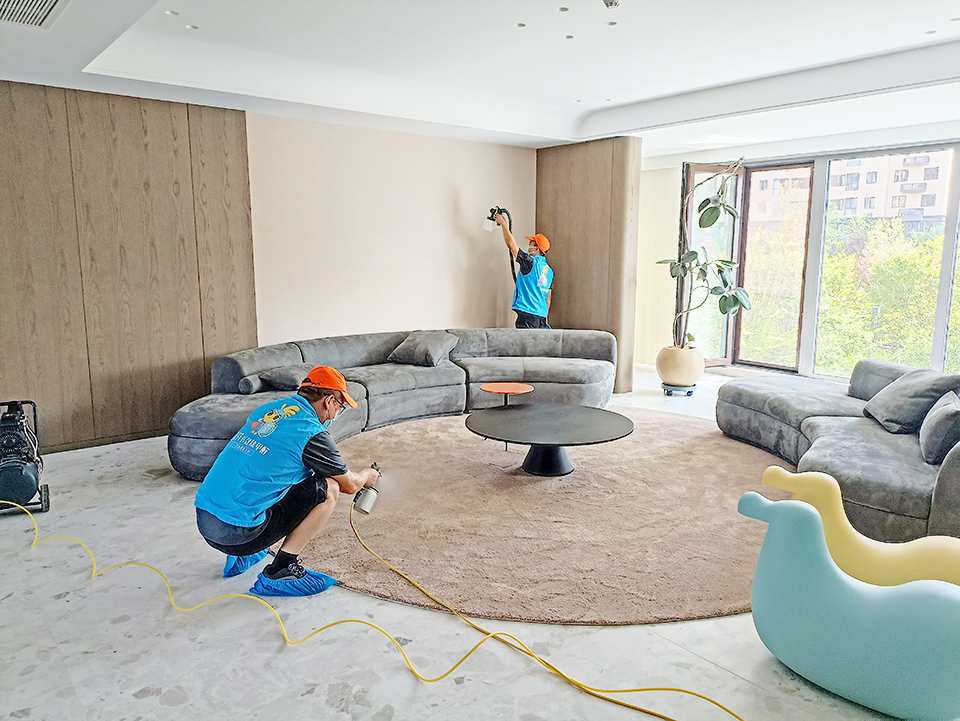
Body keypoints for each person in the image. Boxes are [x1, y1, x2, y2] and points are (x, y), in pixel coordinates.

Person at [194, 366, 380, 597]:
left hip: (205, 519)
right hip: (238, 534)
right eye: (339, 407)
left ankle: (244, 554)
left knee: (276, 473)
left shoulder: (268, 409)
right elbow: (349, 485)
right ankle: (281, 570)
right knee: (329, 487)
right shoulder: (311, 433)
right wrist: (366, 476)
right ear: (329, 401)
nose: (336, 414)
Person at [494, 213, 554, 328]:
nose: (528, 247)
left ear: (537, 248)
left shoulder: (530, 262)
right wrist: (545, 316)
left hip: (528, 315)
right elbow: (548, 295)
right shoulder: (549, 271)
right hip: (541, 316)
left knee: (525, 340)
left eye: (530, 245)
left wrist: (503, 224)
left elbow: (511, 245)